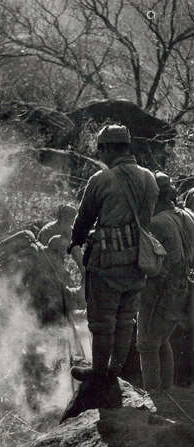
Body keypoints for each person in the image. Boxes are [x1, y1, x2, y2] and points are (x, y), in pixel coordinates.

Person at [63, 124, 159, 418]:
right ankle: (114, 372)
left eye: (100, 149)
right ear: (127, 146)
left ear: (106, 148)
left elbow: (84, 219)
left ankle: (100, 375)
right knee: (126, 319)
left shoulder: (101, 179)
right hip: (138, 262)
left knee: (102, 323)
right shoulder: (150, 179)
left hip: (107, 262)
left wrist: (75, 242)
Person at [137, 173, 194, 393]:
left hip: (160, 289)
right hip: (182, 288)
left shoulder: (156, 223)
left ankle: (153, 394)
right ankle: (166, 392)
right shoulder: (187, 216)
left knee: (147, 344)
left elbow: (153, 262)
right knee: (162, 340)